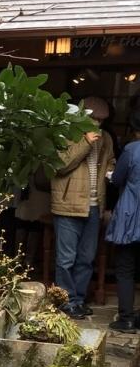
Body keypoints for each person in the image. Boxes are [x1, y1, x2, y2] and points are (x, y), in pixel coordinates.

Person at [50, 96, 115, 319]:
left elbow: (110, 160)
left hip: (94, 206)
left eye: (101, 120)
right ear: (81, 116)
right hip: (67, 205)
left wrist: (111, 170)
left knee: (86, 259)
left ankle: (77, 300)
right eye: (93, 119)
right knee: (65, 259)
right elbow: (60, 165)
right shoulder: (64, 133)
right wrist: (85, 142)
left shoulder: (105, 138)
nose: (97, 124)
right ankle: (65, 302)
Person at [105, 106, 140, 331]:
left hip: (132, 216)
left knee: (125, 267)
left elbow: (117, 179)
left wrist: (111, 175)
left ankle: (126, 318)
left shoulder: (132, 149)